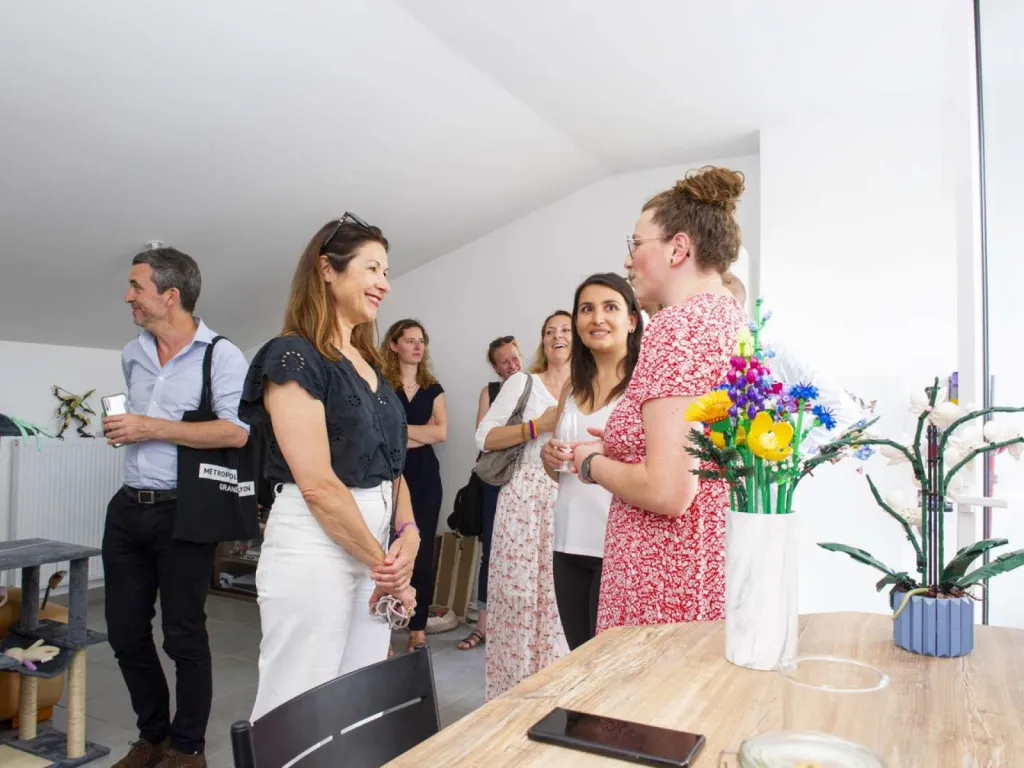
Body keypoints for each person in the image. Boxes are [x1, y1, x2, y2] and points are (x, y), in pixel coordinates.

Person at [240, 213, 418, 722]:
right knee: (296, 707)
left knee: (357, 703)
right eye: (372, 268)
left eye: (387, 271)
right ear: (326, 269)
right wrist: (387, 567)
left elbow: (393, 468)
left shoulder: (370, 366)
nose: (384, 283)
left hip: (372, 549)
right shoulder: (293, 356)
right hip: (315, 543)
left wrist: (408, 534)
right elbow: (317, 484)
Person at [572, 166, 748, 633]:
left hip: (662, 579)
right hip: (703, 564)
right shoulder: (727, 317)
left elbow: (669, 492)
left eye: (635, 245)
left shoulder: (677, 328)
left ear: (678, 248)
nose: (627, 261)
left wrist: (590, 463)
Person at [102, 246, 250, 768]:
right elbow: (139, 423)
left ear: (170, 295)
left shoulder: (221, 355)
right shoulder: (132, 352)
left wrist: (150, 427)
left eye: (136, 287)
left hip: (182, 513)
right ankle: (153, 738)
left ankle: (188, 750)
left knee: (183, 635)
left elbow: (235, 430)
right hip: (127, 509)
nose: (128, 296)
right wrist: (128, 431)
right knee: (124, 632)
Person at [540, 273, 643, 649]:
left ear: (632, 320)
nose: (597, 318)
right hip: (568, 541)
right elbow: (559, 470)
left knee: (609, 668)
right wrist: (549, 456)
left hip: (618, 545)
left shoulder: (644, 384)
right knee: (579, 659)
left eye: (610, 307)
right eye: (587, 309)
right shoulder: (572, 386)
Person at [476, 312, 571, 698]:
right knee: (518, 601)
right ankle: (512, 698)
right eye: (549, 331)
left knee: (559, 606)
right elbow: (483, 437)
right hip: (525, 501)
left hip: (572, 499)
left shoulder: (593, 389)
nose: (557, 336)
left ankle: (555, 696)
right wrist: (539, 424)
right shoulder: (523, 383)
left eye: (565, 330)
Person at [721, 272, 863, 446]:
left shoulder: (778, 355)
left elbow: (843, 412)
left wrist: (783, 451)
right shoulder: (692, 369)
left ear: (741, 314)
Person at [381, 319, 448, 653]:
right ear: (394, 346)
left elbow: (442, 433)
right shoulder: (380, 384)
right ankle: (382, 630)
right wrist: (420, 430)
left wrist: (401, 432)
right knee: (383, 550)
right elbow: (379, 432)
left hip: (424, 476)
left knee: (420, 551)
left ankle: (417, 627)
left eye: (421, 340)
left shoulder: (433, 387)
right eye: (409, 340)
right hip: (386, 472)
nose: (418, 346)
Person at [458, 335, 523, 651]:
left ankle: (514, 626)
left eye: (514, 358)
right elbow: (484, 437)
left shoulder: (537, 385)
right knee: (492, 552)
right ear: (496, 368)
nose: (512, 365)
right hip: (495, 481)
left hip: (528, 481)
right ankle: (483, 626)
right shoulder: (492, 392)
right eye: (504, 362)